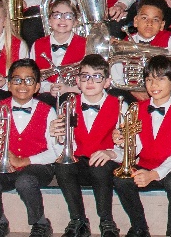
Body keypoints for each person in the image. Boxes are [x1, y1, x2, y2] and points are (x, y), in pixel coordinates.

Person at [111, 56, 171, 237]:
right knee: (121, 179)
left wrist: (155, 174)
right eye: (149, 79)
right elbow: (135, 149)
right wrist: (121, 143)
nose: (153, 84)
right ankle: (139, 228)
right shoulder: (135, 109)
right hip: (146, 165)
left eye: (160, 79)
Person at [0, 60, 59, 237]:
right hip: (6, 166)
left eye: (29, 80)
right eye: (17, 80)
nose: (22, 85)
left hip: (39, 166)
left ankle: (40, 223)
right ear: (8, 84)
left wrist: (25, 161)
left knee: (25, 181)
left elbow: (55, 152)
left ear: (37, 87)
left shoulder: (48, 111)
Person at [48, 54, 124, 237]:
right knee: (63, 166)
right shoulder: (69, 104)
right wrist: (57, 135)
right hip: (80, 161)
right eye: (85, 76)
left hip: (107, 164)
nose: (90, 81)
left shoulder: (120, 105)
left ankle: (106, 221)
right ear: (77, 81)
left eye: (97, 76)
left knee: (100, 166)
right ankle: (78, 219)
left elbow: (129, 145)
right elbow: (63, 146)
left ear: (107, 82)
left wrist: (112, 152)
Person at [126, 0, 171, 98]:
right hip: (136, 92)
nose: (149, 23)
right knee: (116, 94)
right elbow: (117, 73)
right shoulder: (126, 42)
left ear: (162, 25)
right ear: (136, 21)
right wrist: (131, 90)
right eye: (144, 18)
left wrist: (168, 83)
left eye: (155, 20)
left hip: (166, 92)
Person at [31, 0, 85, 95]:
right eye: (57, 15)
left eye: (68, 16)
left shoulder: (85, 44)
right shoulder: (37, 45)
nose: (63, 20)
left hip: (75, 95)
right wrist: (49, 87)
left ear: (75, 21)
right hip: (45, 96)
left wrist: (68, 88)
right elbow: (32, 76)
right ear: (49, 21)